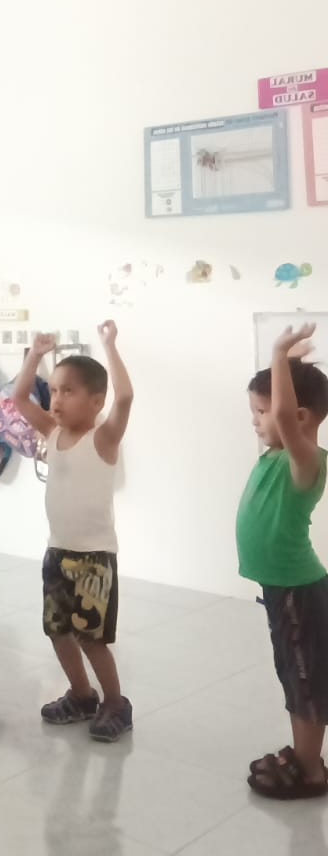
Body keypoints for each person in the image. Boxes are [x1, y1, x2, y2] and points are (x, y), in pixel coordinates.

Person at [12, 322, 134, 743]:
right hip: (57, 552)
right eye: (54, 390)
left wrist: (109, 345)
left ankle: (115, 703)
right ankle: (82, 695)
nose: (57, 399)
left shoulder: (104, 438)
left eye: (68, 391)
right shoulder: (53, 432)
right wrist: (35, 354)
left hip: (93, 557)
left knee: (91, 637)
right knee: (58, 630)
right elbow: (19, 398)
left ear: (96, 400)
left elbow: (126, 397)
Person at [237, 323, 328, 800]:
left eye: (261, 411)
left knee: (306, 681)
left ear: (299, 416)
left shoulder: (306, 460)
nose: (255, 421)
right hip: (282, 590)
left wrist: (278, 352)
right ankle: (304, 753)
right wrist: (289, 366)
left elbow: (288, 423)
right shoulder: (276, 455)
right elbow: (285, 418)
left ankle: (311, 771)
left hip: (298, 591)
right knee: (294, 677)